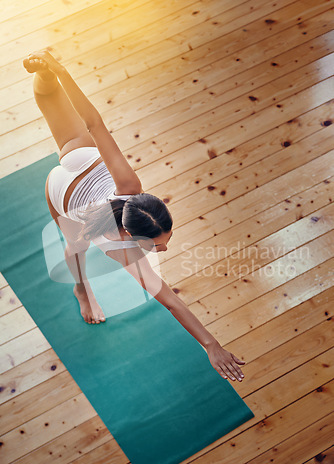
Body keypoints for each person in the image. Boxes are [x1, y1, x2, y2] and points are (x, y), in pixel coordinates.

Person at [23, 50, 246, 383]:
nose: (164, 250)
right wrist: (59, 69)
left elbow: (95, 124)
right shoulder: (123, 250)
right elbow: (171, 301)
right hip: (68, 178)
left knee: (46, 94)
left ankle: (44, 68)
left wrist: (212, 345)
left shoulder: (129, 186)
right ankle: (81, 291)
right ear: (130, 234)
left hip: (74, 169)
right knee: (74, 249)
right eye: (157, 246)